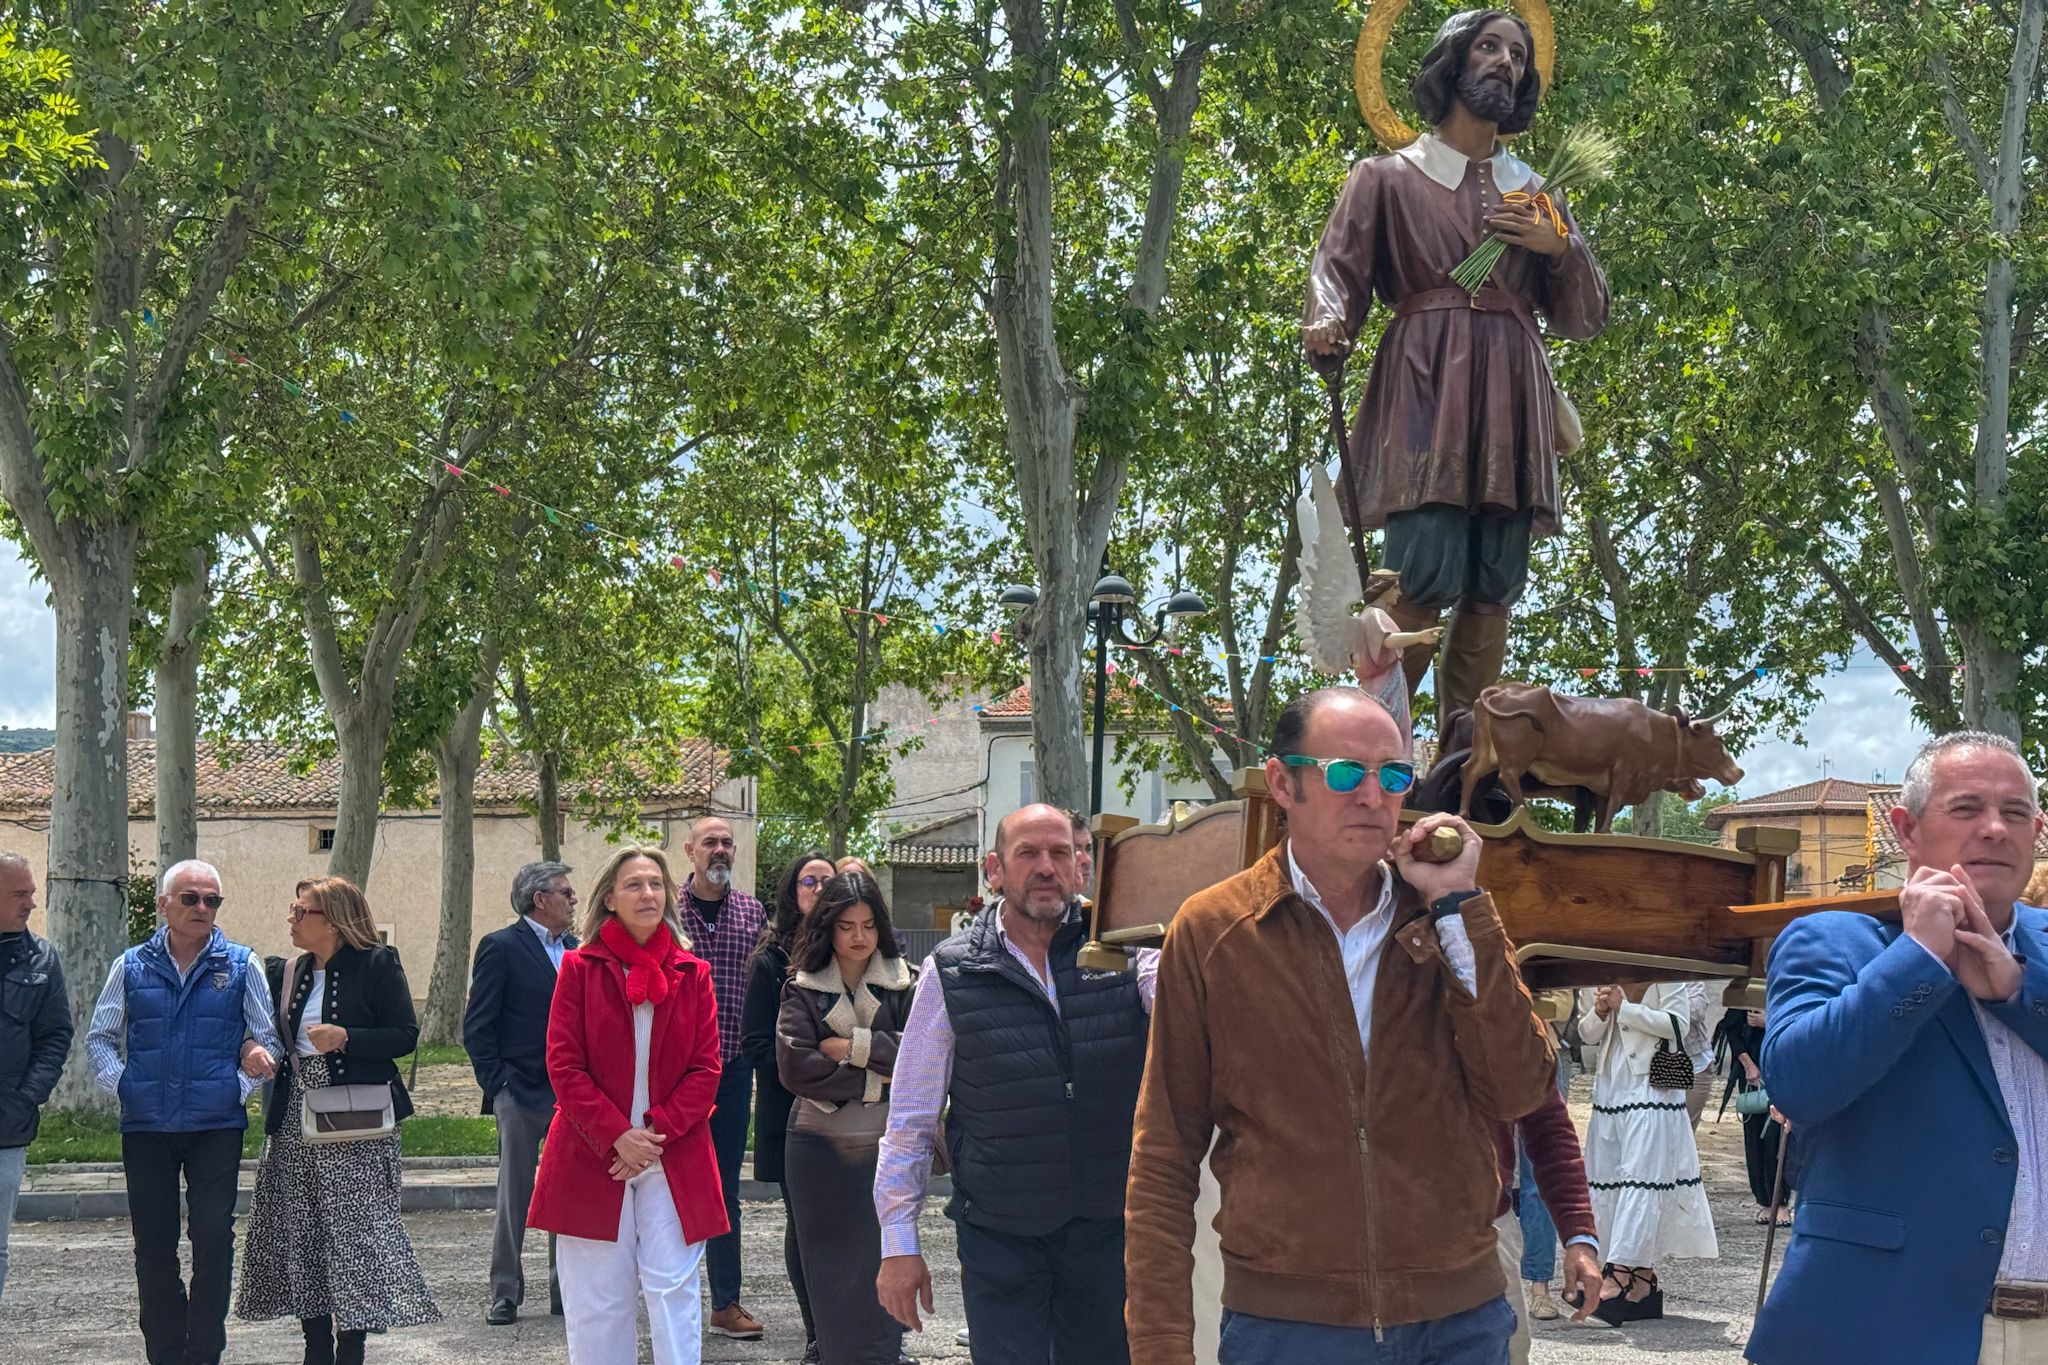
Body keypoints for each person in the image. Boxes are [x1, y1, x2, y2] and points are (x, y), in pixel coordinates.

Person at [1125, 687, 1557, 1365]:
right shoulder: (1213, 931)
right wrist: (1158, 1345)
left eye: (1393, 775)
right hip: (1288, 1328)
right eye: (1346, 773)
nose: (1372, 795)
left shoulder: (1451, 917)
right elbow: (1163, 1156)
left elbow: (1519, 1089)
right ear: (1282, 782)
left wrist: (1458, 907)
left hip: (1457, 1323)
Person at [1302, 8, 1609, 729]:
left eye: (1517, 52)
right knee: (1424, 563)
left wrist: (1556, 245)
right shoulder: (1386, 178)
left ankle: (1463, 762)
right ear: (1453, 62)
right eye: (1488, 47)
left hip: (1510, 384)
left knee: (1494, 574)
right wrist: (1328, 318)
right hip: (1425, 380)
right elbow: (1337, 270)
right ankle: (1363, 738)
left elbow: (1585, 314)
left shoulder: (1537, 193)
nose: (1505, 61)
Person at [1750, 731, 2048, 1365]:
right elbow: (1799, 1086)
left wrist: (2020, 993)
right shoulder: (1831, 941)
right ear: (1907, 830)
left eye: (2016, 812)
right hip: (1884, 1328)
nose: (1996, 828)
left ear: (2038, 830)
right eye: (1967, 808)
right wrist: (1917, 961)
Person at [875, 802, 1155, 1365]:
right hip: (1000, 1237)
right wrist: (898, 1245)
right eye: (1028, 853)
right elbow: (909, 1119)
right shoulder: (951, 973)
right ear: (995, 869)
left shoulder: (1133, 953)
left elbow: (1191, 1009)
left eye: (1061, 853)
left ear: (1082, 866)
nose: (1046, 867)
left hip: (1109, 1232)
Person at [528, 845, 727, 1365]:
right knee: (596, 1300)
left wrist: (652, 1135)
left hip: (673, 1153)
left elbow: (706, 1070)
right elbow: (564, 1065)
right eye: (634, 884)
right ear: (610, 900)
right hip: (595, 1153)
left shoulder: (694, 973)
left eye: (657, 884)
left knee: (674, 1292)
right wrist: (619, 1134)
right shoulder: (579, 968)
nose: (648, 893)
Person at [87, 859, 281, 1365]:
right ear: (163, 904)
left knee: (213, 1239)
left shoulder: (241, 963)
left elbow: (268, 1039)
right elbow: (101, 1038)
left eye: (212, 900)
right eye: (191, 898)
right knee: (154, 1246)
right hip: (146, 1126)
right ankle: (166, 1353)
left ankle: (205, 1352)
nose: (202, 908)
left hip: (215, 1126)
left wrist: (235, 1087)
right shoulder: (130, 964)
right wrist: (124, 1086)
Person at [236, 877, 439, 1361]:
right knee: (301, 1229)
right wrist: (250, 1046)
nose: (291, 917)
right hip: (293, 1115)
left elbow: (405, 1035)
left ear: (334, 920)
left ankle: (352, 1347)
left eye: (300, 910)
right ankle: (315, 1348)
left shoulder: (377, 964)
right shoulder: (285, 971)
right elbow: (255, 1027)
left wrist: (348, 1037)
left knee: (354, 1234)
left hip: (358, 1118)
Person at [778, 869, 915, 1365]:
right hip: (820, 1152)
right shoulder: (802, 988)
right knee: (834, 1275)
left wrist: (850, 1047)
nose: (859, 937)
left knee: (888, 1263)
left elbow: (920, 1058)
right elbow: (798, 1068)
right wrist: (880, 1074)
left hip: (889, 1150)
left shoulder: (906, 983)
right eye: (847, 926)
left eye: (868, 925)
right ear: (828, 928)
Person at [465, 859, 579, 1325]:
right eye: (566, 892)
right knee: (515, 1194)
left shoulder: (577, 950)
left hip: (571, 1093)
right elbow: (478, 1026)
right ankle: (505, 1293)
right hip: (520, 1090)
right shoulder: (501, 947)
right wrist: (500, 1085)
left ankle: (565, 1290)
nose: (574, 900)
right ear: (540, 898)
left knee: (567, 1194)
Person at [1573, 981, 1718, 1323]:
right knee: (1610, 1180)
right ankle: (1643, 1282)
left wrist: (1626, 1008)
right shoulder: (1595, 974)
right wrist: (1600, 1011)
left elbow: (1677, 1025)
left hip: (1653, 1087)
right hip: (1610, 1088)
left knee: (1642, 1179)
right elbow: (1587, 1034)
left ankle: (1619, 1274)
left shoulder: (1667, 972)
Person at [676, 815, 767, 1341]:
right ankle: (672, 1298)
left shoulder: (752, 913)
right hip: (674, 1073)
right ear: (690, 850)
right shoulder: (667, 912)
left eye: (728, 843)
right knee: (667, 1188)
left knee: (723, 1187)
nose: (721, 850)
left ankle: (725, 1302)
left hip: (731, 1071)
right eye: (710, 842)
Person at [740, 850, 833, 1361]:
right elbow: (755, 1043)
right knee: (807, 1227)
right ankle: (818, 1335)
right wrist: (815, 1074)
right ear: (792, 893)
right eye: (807, 881)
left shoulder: (855, 946)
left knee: (860, 1228)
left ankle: (863, 1331)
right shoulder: (771, 959)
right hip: (794, 1114)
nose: (817, 888)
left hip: (856, 1117)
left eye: (827, 880)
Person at [0, 851, 68, 1305]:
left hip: (8, 1126)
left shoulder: (42, 959)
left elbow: (55, 1036)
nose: (30, 903)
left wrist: (26, 1098)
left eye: (32, 893)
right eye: (19, 894)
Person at [1714, 1007, 1792, 1226]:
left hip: (1781, 1070)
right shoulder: (1746, 993)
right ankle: (1766, 1200)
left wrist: (1769, 1022)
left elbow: (1800, 1027)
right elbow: (1732, 1029)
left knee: (1778, 1137)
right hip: (1751, 1075)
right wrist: (1748, 1065)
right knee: (1754, 1135)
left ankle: (1782, 1202)